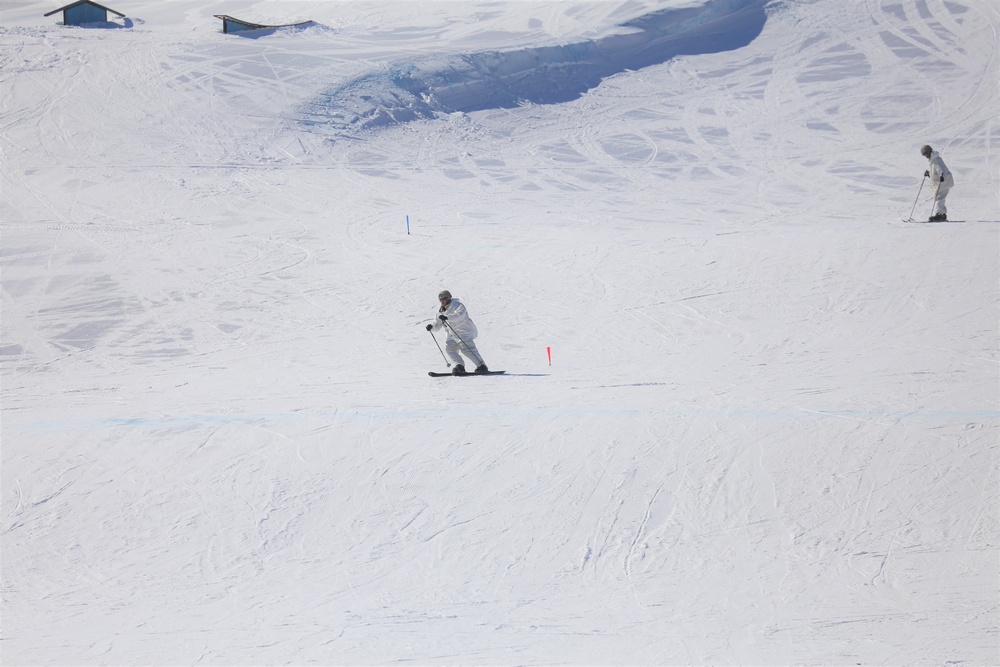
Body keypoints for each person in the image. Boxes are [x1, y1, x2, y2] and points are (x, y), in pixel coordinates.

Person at [425, 290, 489, 374]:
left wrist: (447, 317)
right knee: (449, 349)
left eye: (444, 299)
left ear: (449, 298)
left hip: (464, 331)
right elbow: (437, 324)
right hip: (451, 334)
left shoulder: (458, 306)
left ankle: (481, 366)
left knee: (466, 348)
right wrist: (432, 327)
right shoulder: (440, 311)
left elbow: (460, 316)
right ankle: (459, 366)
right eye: (440, 300)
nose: (442, 301)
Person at [921, 144, 954, 222]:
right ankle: (941, 214)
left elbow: (940, 168)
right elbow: (934, 171)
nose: (925, 156)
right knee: (938, 198)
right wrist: (929, 173)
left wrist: (941, 175)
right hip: (941, 182)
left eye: (925, 153)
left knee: (939, 198)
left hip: (944, 181)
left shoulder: (936, 159)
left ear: (929, 152)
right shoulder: (932, 159)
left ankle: (940, 214)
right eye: (923, 154)